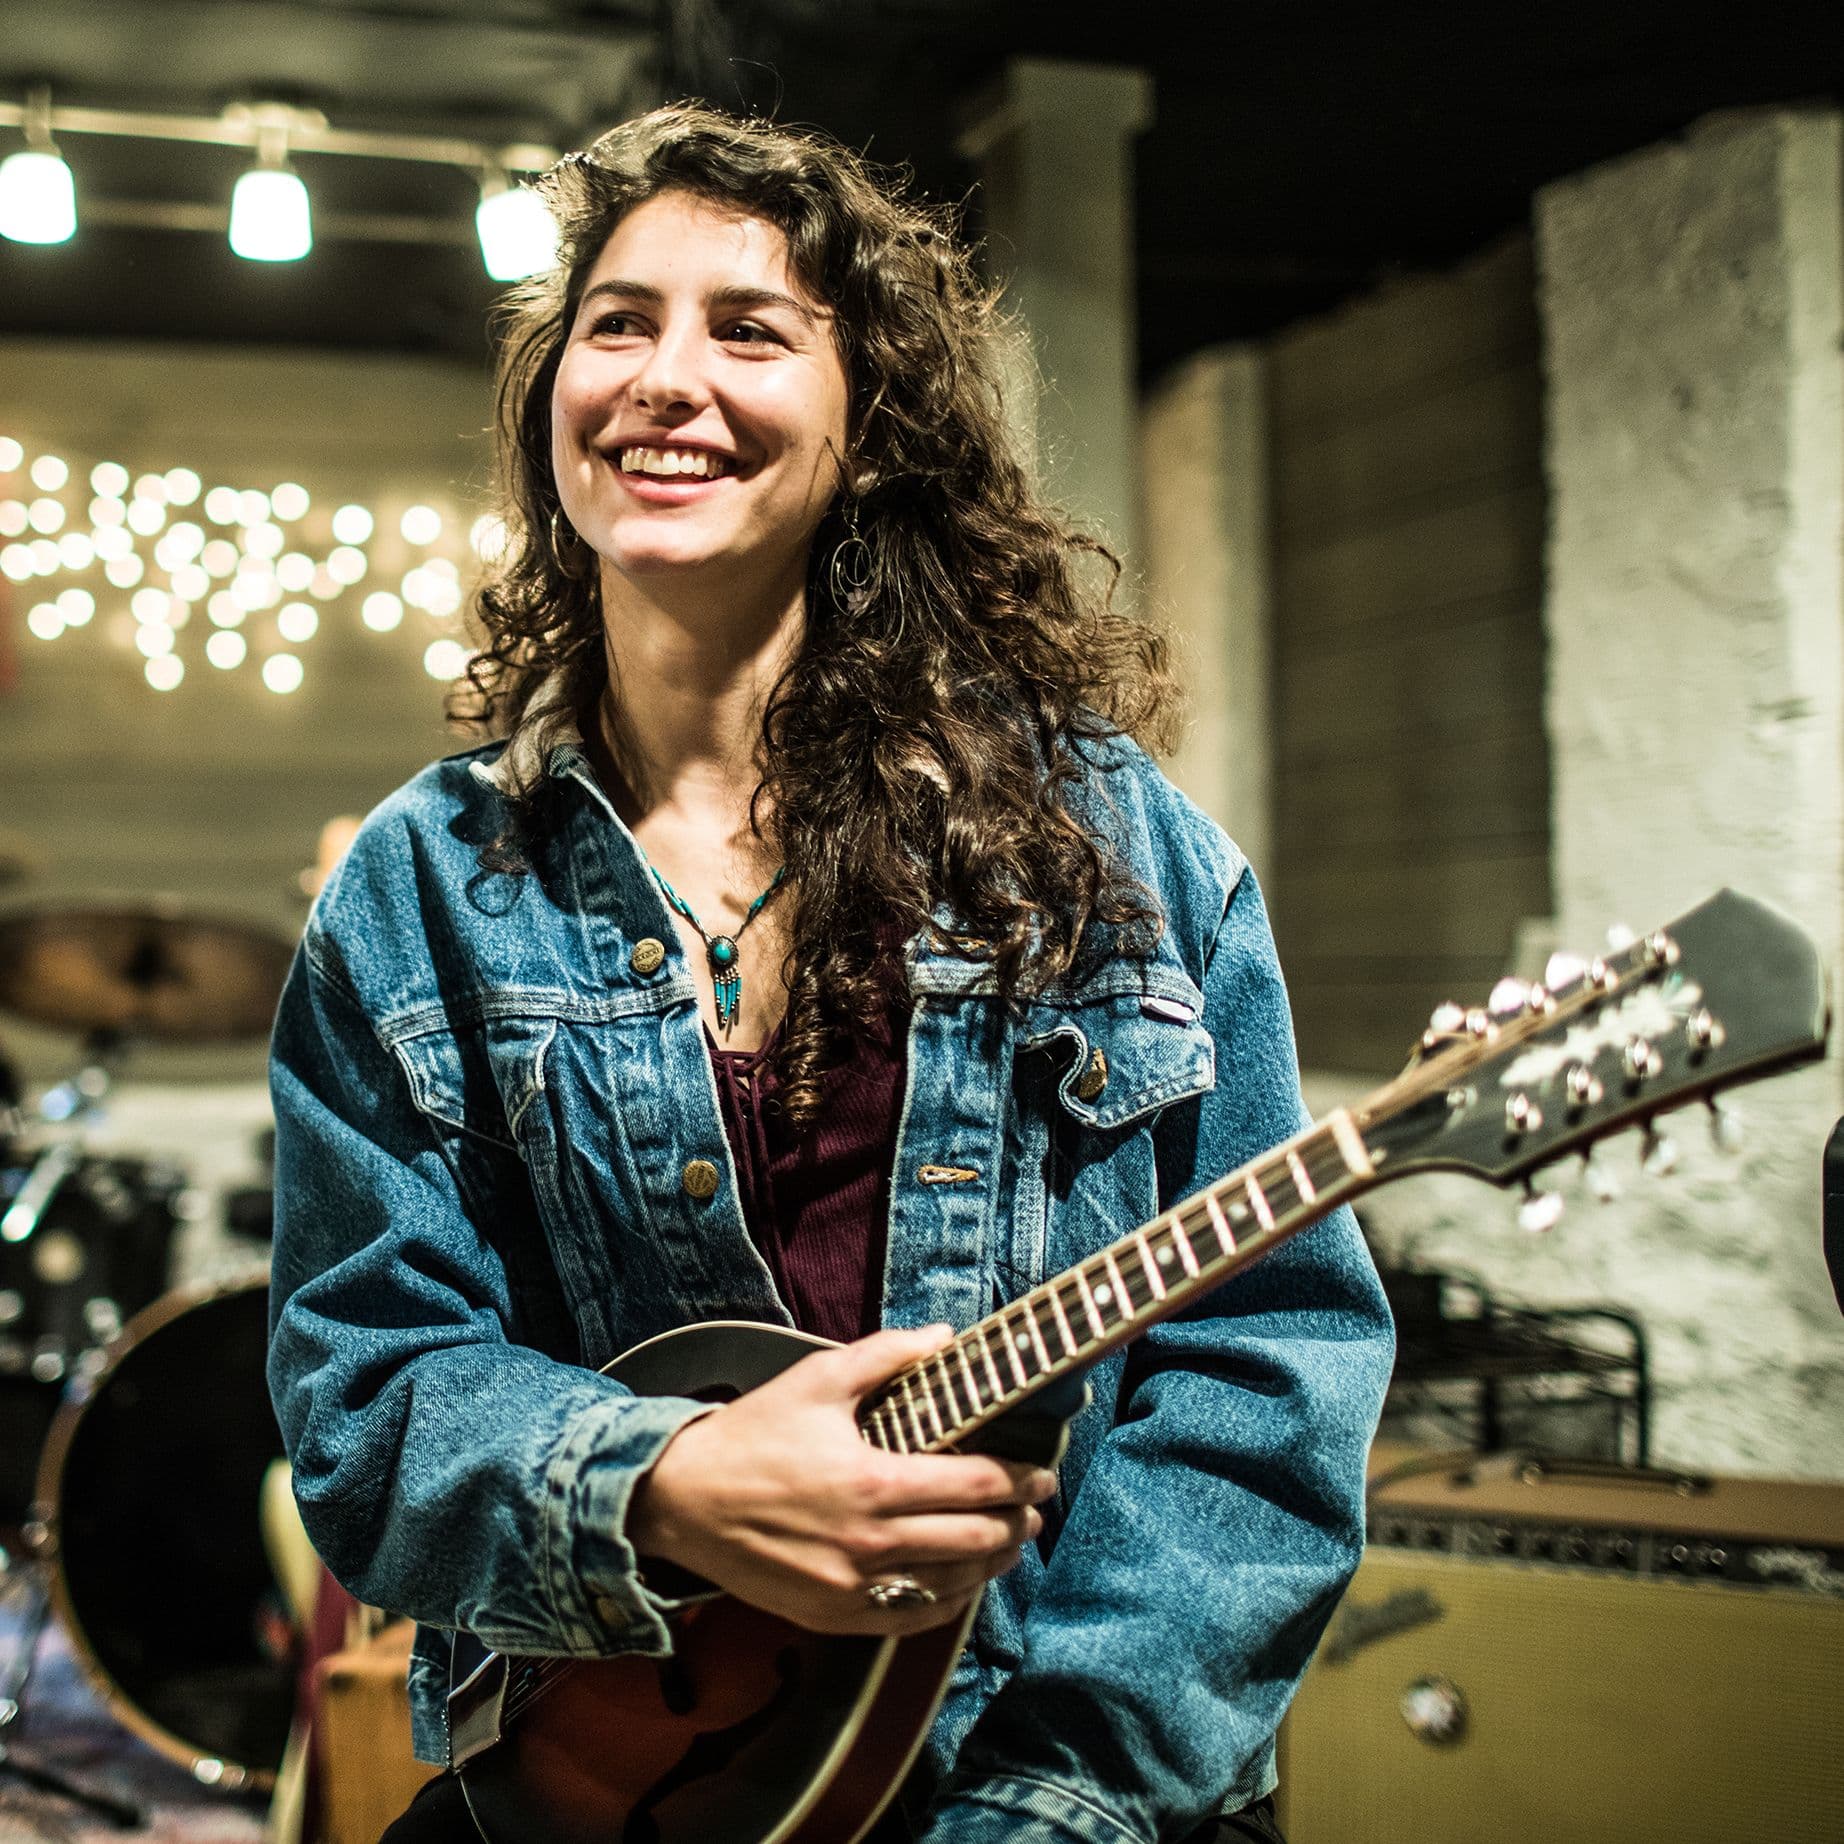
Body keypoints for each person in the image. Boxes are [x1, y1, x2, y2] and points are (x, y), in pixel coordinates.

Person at [266, 103, 1393, 1844]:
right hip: (616, 1777)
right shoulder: (425, 886)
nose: (664, 375)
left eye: (750, 329)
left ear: (868, 431)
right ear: (549, 402)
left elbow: (1264, 1370)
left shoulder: (1110, 849)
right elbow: (366, 1393)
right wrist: (663, 1483)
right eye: (618, 321)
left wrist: (1055, 1805)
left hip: (1049, 1774)